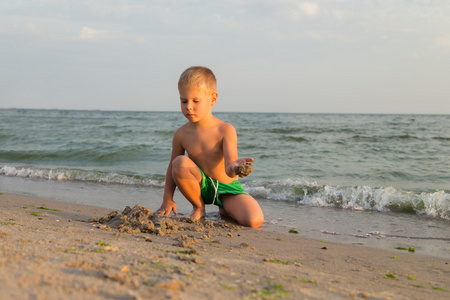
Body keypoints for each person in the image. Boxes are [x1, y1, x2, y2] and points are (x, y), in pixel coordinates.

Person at [158, 66, 264, 228]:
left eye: (195, 101)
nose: (188, 106)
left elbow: (229, 167)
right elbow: (172, 168)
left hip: (226, 189)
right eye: (184, 101)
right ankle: (199, 207)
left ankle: (225, 207)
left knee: (254, 220)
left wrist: (235, 167)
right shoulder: (181, 134)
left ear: (213, 99)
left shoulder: (225, 130)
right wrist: (167, 199)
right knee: (179, 162)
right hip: (200, 186)